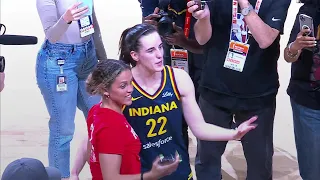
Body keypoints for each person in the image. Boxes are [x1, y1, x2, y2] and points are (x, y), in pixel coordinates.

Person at [71, 23, 258, 180]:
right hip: (141, 174)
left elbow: (199, 127)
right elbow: (94, 134)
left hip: (178, 171)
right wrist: (73, 172)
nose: (160, 54)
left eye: (160, 47)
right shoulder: (123, 87)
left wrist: (233, 134)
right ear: (135, 55)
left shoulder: (179, 78)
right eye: (151, 50)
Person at [187, 0, 291, 179]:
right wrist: (203, 18)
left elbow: (265, 39)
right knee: (207, 159)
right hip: (214, 89)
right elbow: (202, 39)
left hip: (258, 95)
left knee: (260, 164)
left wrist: (243, 3)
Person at [71, 59, 180, 180]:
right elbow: (111, 178)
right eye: (123, 86)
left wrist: (75, 172)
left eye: (130, 82)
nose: (130, 89)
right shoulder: (111, 126)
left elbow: (90, 144)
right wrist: (151, 175)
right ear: (105, 90)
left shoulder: (96, 111)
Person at [35, 0, 107, 179]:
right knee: (63, 130)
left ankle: (103, 174)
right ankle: (61, 177)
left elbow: (93, 26)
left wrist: (104, 62)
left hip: (88, 58)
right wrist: (66, 19)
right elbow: (52, 35)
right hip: (59, 62)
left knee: (103, 119)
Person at [139, 0, 205, 148]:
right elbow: (146, 26)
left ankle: (205, 164)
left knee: (203, 116)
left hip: (201, 60)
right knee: (175, 115)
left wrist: (185, 42)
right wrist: (150, 29)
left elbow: (210, 45)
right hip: (171, 57)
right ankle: (180, 161)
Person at [284, 0, 320, 179]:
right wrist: (296, 46)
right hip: (309, 104)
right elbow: (288, 55)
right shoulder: (309, 11)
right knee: (312, 171)